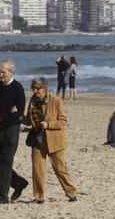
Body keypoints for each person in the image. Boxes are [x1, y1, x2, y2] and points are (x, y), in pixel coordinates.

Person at [23, 76, 78, 204]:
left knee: (60, 168)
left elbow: (64, 121)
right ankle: (39, 197)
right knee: (37, 169)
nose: (36, 91)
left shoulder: (56, 100)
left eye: (38, 88)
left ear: (45, 88)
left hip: (55, 141)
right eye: (33, 88)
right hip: (38, 139)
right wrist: (19, 117)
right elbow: (28, 120)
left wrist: (48, 124)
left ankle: (72, 194)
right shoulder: (32, 100)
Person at [0, 59, 29, 204]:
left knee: (6, 162)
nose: (1, 75)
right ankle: (19, 183)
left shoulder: (18, 88)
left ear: (11, 72)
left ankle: (2, 197)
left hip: (12, 130)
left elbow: (18, 114)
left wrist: (1, 117)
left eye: (3, 72)